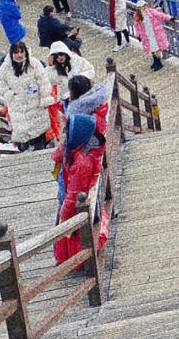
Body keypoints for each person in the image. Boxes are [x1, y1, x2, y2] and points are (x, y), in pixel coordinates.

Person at [52, 112, 107, 264]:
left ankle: (75, 262)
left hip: (76, 203)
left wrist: (64, 214)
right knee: (68, 231)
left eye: (68, 131)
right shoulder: (78, 148)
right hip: (71, 197)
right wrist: (64, 148)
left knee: (70, 233)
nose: (65, 133)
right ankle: (69, 259)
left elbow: (74, 194)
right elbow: (56, 156)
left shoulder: (82, 162)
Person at [0, 40, 52, 151]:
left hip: (35, 103)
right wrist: (10, 95)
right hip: (17, 105)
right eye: (16, 53)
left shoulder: (34, 64)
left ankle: (40, 153)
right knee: (21, 133)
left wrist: (45, 98)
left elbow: (44, 81)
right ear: (12, 54)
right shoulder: (5, 67)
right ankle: (24, 152)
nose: (19, 55)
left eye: (21, 52)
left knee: (38, 131)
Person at [132, 0, 170, 71]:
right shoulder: (137, 16)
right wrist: (138, 35)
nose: (143, 7)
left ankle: (158, 62)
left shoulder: (151, 11)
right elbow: (137, 27)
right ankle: (155, 61)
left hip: (155, 33)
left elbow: (160, 15)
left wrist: (169, 17)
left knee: (157, 47)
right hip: (147, 34)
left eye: (144, 6)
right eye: (142, 6)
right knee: (151, 48)